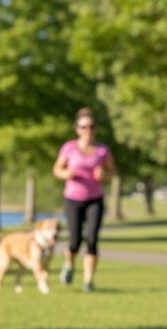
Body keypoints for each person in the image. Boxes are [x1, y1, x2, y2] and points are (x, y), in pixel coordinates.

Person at [53, 107, 115, 292]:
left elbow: (112, 173)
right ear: (77, 129)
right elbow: (56, 169)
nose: (88, 130)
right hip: (73, 199)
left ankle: (88, 281)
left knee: (93, 239)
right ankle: (69, 265)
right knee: (75, 240)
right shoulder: (69, 148)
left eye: (92, 127)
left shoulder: (102, 151)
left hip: (95, 199)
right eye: (84, 127)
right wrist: (66, 173)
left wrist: (104, 174)